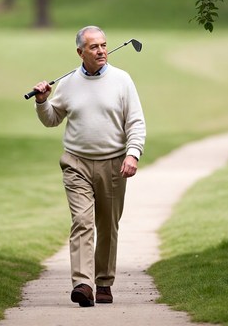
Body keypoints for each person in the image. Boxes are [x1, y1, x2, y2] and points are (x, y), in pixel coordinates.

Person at [32, 25, 146, 307]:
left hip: (114, 163)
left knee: (107, 225)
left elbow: (136, 123)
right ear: (80, 52)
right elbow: (51, 119)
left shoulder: (122, 80)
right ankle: (83, 284)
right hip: (77, 163)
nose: (101, 51)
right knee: (82, 222)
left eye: (104, 45)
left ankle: (104, 282)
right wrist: (42, 101)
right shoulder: (68, 83)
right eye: (94, 47)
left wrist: (133, 154)